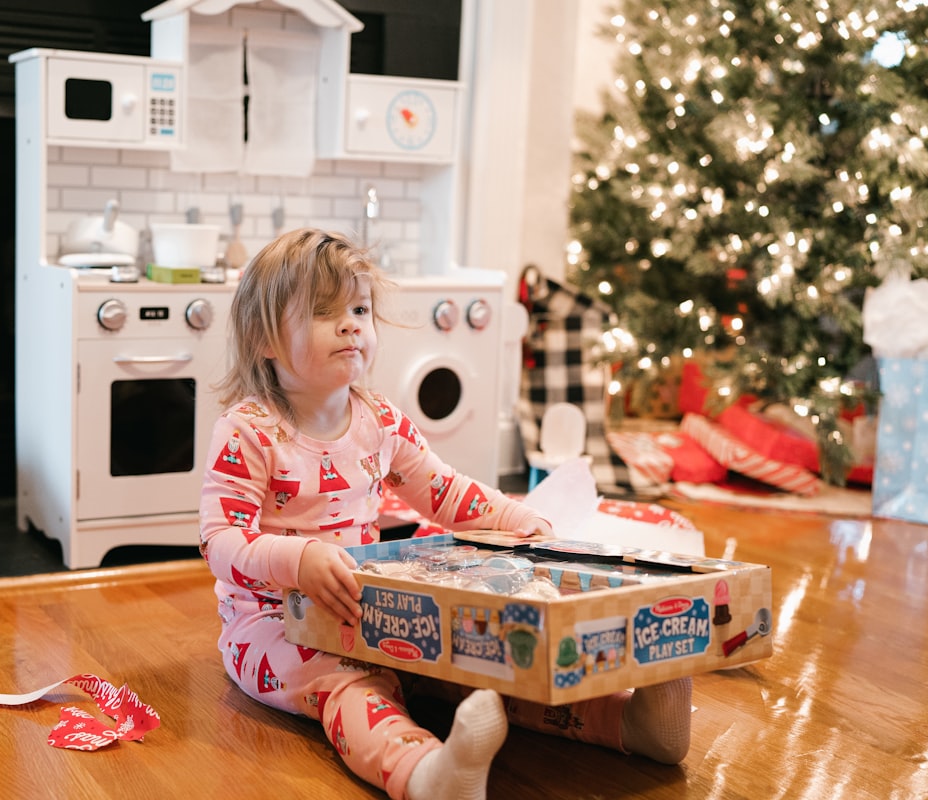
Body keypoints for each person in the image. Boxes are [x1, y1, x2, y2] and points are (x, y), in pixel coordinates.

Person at [199, 228, 692, 800]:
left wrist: (513, 517)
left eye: (360, 308)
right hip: (271, 623)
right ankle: (428, 776)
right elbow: (220, 541)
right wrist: (297, 558)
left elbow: (444, 490)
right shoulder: (248, 431)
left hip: (371, 607)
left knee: (475, 664)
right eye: (322, 311)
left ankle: (630, 724)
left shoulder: (378, 418)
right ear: (263, 338)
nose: (352, 324)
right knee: (355, 686)